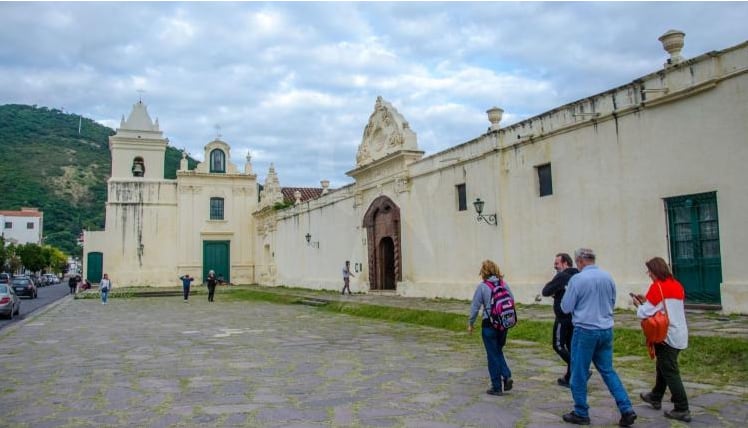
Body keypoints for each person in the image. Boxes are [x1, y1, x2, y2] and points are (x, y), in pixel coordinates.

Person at [560, 248, 636, 426]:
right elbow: (612, 301)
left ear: (579, 261)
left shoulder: (577, 279)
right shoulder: (607, 277)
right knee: (608, 371)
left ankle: (581, 411)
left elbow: (566, 307)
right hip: (606, 328)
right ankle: (626, 408)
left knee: (578, 373)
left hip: (585, 330)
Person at [633, 257, 691, 422]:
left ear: (655, 271)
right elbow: (663, 306)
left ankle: (682, 407)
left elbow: (644, 312)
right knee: (663, 366)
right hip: (679, 331)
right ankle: (656, 395)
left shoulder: (657, 287)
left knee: (670, 371)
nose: (649, 275)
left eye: (649, 271)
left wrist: (639, 305)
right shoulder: (676, 285)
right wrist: (647, 303)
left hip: (666, 334)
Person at [468, 259, 513, 396]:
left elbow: (475, 307)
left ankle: (497, 386)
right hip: (503, 324)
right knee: (497, 351)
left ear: (483, 271)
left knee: (492, 354)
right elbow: (511, 301)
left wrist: (471, 323)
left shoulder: (482, 287)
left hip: (489, 324)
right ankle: (506, 375)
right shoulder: (504, 284)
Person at [542, 252, 579, 387]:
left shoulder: (562, 276)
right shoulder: (578, 275)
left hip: (563, 317)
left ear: (565, 263)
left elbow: (545, 291)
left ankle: (580, 370)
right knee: (570, 347)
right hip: (575, 317)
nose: (555, 267)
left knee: (558, 345)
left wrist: (555, 290)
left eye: (557, 264)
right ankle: (569, 378)